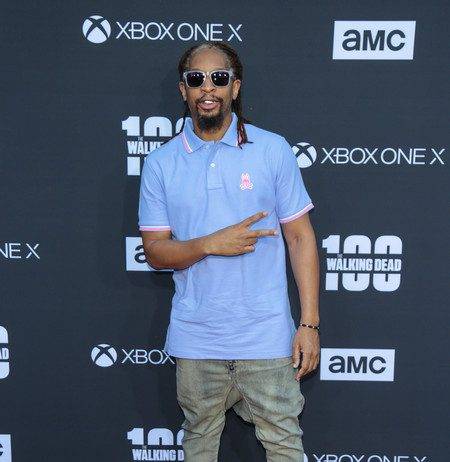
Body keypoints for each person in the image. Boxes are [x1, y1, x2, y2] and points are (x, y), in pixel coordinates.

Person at [138, 41, 320, 462]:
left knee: (285, 445)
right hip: (196, 339)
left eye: (219, 78)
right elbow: (155, 252)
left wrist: (309, 324)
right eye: (196, 79)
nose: (208, 88)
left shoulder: (272, 149)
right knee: (199, 444)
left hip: (267, 338)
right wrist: (210, 244)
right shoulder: (161, 163)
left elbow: (300, 238)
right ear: (183, 89)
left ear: (234, 87)